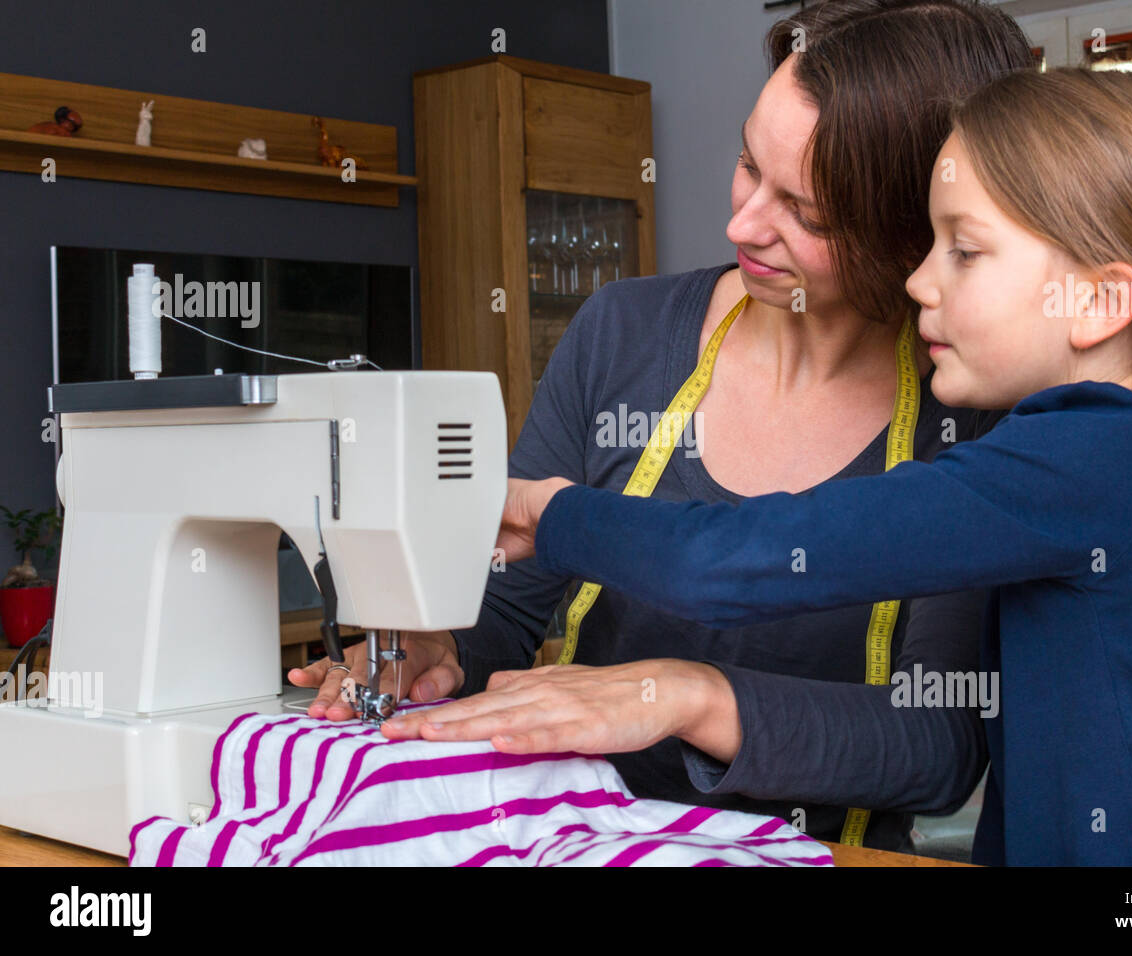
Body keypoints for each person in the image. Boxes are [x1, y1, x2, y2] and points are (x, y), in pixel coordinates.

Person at [440, 67, 1132, 866]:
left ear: (1102, 301)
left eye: (964, 251)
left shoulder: (1095, 455)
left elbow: (742, 558)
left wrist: (549, 512)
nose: (919, 281)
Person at [296, 0, 1036, 851]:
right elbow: (508, 601)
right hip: (569, 838)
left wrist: (685, 694)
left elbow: (937, 746)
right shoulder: (623, 332)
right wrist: (437, 646)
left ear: (918, 236)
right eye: (747, 165)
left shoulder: (970, 414)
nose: (743, 224)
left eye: (809, 213)